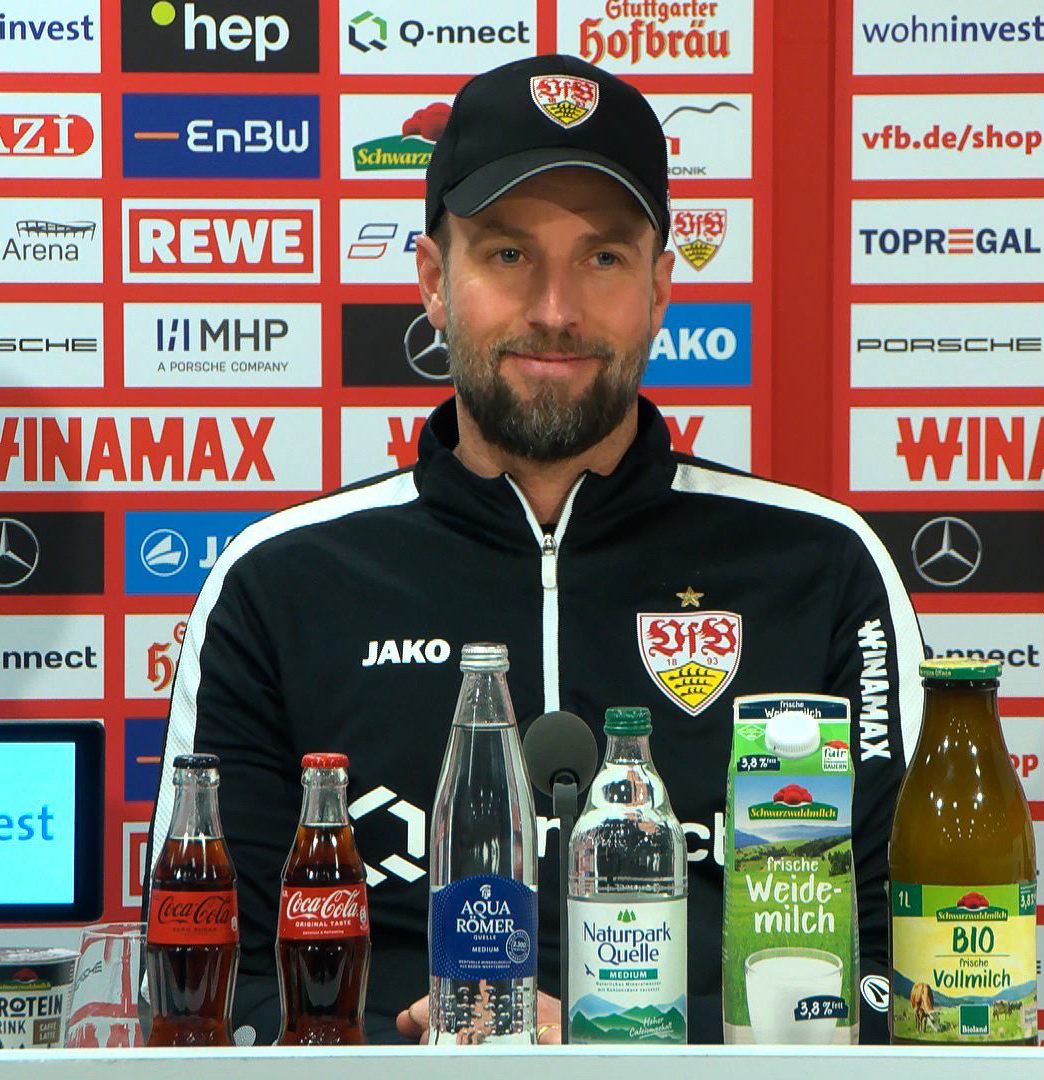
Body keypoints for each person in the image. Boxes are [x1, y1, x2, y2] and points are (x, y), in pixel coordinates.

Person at [149, 53, 926, 1045]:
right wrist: (410, 1046)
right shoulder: (281, 581)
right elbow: (211, 986)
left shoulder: (820, 567)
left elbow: (900, 976)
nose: (556, 309)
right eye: (509, 255)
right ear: (434, 280)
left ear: (660, 287)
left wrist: (627, 1043)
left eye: (602, 257)